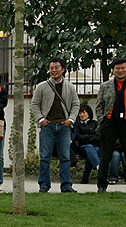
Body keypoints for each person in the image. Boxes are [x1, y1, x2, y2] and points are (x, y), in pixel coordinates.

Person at [31, 58, 80, 193]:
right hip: (48, 126)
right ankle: (44, 185)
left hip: (64, 126)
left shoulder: (70, 86)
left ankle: (66, 185)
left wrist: (71, 119)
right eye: (51, 68)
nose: (54, 70)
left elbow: (76, 104)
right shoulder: (42, 86)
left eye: (57, 67)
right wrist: (41, 120)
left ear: (62, 69)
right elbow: (34, 104)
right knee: (45, 157)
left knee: (65, 157)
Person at [94, 57, 126, 192]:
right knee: (105, 156)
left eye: (123, 68)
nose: (121, 71)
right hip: (109, 123)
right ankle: (102, 185)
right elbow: (98, 106)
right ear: (113, 70)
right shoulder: (105, 86)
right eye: (118, 68)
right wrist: (102, 120)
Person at [72, 105, 100, 184]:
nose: (82, 115)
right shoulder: (77, 125)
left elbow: (98, 136)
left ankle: (85, 178)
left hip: (94, 148)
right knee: (89, 148)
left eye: (84, 112)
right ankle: (98, 166)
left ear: (89, 113)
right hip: (82, 148)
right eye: (80, 113)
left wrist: (86, 137)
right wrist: (91, 136)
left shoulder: (94, 123)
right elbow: (78, 136)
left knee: (91, 152)